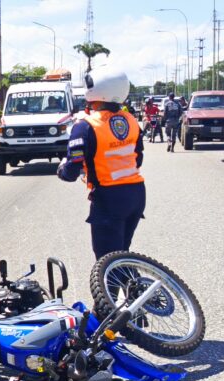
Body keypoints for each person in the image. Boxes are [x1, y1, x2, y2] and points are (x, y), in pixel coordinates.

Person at [57, 68, 145, 260]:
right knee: (121, 254)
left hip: (108, 198)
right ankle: (135, 288)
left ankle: (114, 291)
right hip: (136, 195)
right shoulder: (131, 120)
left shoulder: (85, 126)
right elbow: (138, 158)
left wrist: (62, 170)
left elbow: (71, 170)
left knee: (106, 261)